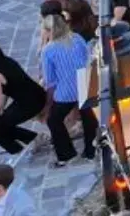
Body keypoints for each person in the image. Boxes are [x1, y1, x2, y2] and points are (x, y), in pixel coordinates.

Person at [39, 14, 97, 167]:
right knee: (89, 119)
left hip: (65, 93)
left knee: (54, 120)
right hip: (85, 85)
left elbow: (50, 80)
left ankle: (66, 154)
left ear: (48, 30)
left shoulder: (48, 51)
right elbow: (88, 58)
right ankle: (91, 151)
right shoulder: (77, 38)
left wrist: (48, 102)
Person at [0, 42, 45, 156]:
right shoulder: (7, 61)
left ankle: (17, 150)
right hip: (37, 95)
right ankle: (33, 138)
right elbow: (5, 93)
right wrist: (0, 115)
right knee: (0, 124)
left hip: (29, 104)